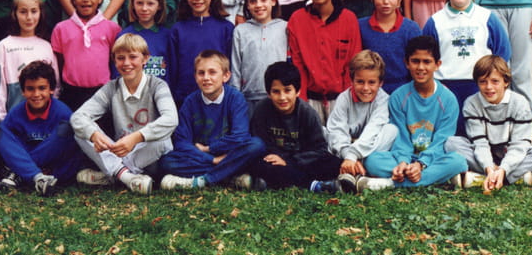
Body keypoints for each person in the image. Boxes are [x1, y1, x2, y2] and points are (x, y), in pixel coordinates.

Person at [71, 34, 178, 195]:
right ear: (115, 61)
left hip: (147, 154)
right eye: (120, 58)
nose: (126, 63)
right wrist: (94, 135)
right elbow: (78, 117)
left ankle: (113, 175)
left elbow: (171, 119)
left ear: (145, 59)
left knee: (164, 139)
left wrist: (135, 138)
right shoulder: (111, 88)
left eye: (133, 57)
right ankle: (127, 177)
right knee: (82, 132)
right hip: (119, 151)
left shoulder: (157, 85)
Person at [361, 36, 467, 191]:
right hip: (404, 157)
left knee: (458, 161)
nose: (421, 67)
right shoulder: (398, 97)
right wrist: (403, 163)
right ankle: (434, 178)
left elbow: (441, 141)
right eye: (415, 61)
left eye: (427, 62)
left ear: (437, 65)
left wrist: (420, 164)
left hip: (433, 158)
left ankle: (388, 183)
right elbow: (401, 137)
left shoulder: (448, 99)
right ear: (407, 63)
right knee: (372, 160)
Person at [159, 50, 266, 190]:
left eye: (212, 72)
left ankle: (204, 180)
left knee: (256, 145)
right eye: (201, 73)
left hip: (229, 153)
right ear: (195, 77)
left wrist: (210, 148)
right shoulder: (190, 102)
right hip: (203, 157)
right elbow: (182, 142)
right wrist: (212, 159)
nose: (206, 78)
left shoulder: (235, 98)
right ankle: (230, 176)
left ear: (226, 76)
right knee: (167, 162)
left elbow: (240, 136)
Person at [445, 55, 532, 190]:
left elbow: (519, 144)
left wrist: (504, 168)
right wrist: (489, 167)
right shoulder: (471, 104)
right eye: (483, 82)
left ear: (506, 82)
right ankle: (513, 176)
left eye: (495, 81)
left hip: (509, 152)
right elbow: (480, 143)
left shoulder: (520, 103)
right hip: (483, 154)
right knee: (451, 143)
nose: (489, 87)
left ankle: (485, 177)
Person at [422, 0, 511, 119]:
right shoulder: (435, 22)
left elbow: (502, 53)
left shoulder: (487, 18)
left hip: (480, 86)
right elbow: (426, 58)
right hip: (445, 87)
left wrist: (492, 83)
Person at [0, 61, 82, 196]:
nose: (36, 94)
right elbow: (7, 141)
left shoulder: (62, 112)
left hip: (52, 165)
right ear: (23, 91)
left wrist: (19, 164)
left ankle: (21, 173)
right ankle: (35, 176)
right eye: (30, 89)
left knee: (68, 129)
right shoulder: (17, 112)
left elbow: (70, 148)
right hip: (26, 153)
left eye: (42, 88)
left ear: (51, 89)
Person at [249, 61, 343, 191]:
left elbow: (319, 148)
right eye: (276, 92)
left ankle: (276, 181)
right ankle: (314, 185)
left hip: (301, 159)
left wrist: (289, 161)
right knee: (258, 163)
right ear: (269, 93)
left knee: (333, 163)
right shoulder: (262, 109)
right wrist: (278, 158)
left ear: (297, 91)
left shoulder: (307, 113)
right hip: (274, 159)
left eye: (287, 90)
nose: (282, 97)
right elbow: (261, 142)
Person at [287, 0, 362, 123]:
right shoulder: (297, 20)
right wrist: (302, 101)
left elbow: (353, 62)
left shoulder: (348, 19)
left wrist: (348, 100)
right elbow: (297, 63)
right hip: (309, 99)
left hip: (341, 99)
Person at [325, 50, 398, 193]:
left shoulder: (383, 100)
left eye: (371, 82)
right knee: (325, 132)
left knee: (391, 130)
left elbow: (373, 130)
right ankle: (354, 170)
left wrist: (353, 156)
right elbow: (338, 130)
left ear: (380, 83)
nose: (365, 88)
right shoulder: (344, 98)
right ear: (351, 80)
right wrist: (348, 156)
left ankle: (354, 169)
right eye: (360, 82)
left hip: (367, 149)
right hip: (345, 151)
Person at [51, 0, 120, 111]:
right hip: (71, 93)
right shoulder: (61, 29)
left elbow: (114, 61)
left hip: (102, 93)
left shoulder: (112, 28)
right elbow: (59, 61)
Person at [0, 0, 59, 125]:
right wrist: (0, 121)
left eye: (34, 11)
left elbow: (55, 87)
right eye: (23, 12)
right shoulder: (4, 46)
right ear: (14, 14)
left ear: (41, 13)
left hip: (43, 122)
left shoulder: (46, 47)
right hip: (13, 122)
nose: (29, 17)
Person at [167, 0, 234, 107]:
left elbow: (231, 65)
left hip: (218, 99)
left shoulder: (226, 28)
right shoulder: (177, 29)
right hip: (184, 99)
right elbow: (172, 68)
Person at [358, 0, 421, 94]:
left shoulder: (411, 29)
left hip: (404, 93)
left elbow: (418, 65)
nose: (386, 2)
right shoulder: (360, 26)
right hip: (369, 92)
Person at [231, 0, 287, 113]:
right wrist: (235, 97)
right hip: (249, 97)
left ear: (273, 1)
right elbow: (236, 66)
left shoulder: (285, 28)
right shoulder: (240, 31)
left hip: (279, 96)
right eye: (253, 1)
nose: (258, 5)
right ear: (247, 5)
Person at [112, 0, 171, 82]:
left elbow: (172, 70)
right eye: (139, 3)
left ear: (159, 6)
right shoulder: (124, 36)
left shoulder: (168, 36)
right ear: (133, 5)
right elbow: (117, 70)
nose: (144, 8)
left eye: (150, 3)